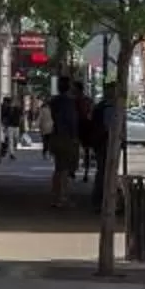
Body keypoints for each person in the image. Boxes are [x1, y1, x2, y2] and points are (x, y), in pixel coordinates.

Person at [48, 73, 82, 201]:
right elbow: (71, 120)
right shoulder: (68, 102)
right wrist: (74, 137)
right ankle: (62, 196)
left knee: (58, 167)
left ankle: (56, 194)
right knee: (65, 169)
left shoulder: (54, 101)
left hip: (56, 136)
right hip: (66, 137)